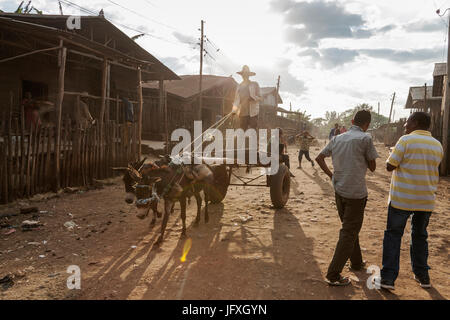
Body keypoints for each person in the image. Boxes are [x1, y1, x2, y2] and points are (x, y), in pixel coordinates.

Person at [379, 112, 443, 291]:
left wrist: (392, 154)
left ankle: (388, 278)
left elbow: (389, 166)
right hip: (425, 200)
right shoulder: (438, 145)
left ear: (414, 122)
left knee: (393, 235)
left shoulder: (405, 140)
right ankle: (423, 276)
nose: (405, 125)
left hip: (402, 199)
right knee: (420, 236)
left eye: (407, 122)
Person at [316, 110, 379, 286]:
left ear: (352, 121)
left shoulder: (337, 138)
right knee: (349, 231)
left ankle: (357, 262)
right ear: (367, 124)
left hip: (340, 190)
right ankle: (333, 274)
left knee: (350, 228)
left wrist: (331, 175)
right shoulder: (365, 139)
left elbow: (319, 158)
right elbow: (373, 166)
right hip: (356, 193)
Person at [231, 65, 261, 131]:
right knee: (242, 131)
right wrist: (234, 111)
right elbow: (236, 100)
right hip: (242, 113)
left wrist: (253, 98)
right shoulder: (239, 87)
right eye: (243, 74)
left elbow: (260, 97)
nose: (245, 76)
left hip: (253, 112)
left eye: (246, 74)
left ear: (249, 75)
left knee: (253, 131)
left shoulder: (254, 84)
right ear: (241, 75)